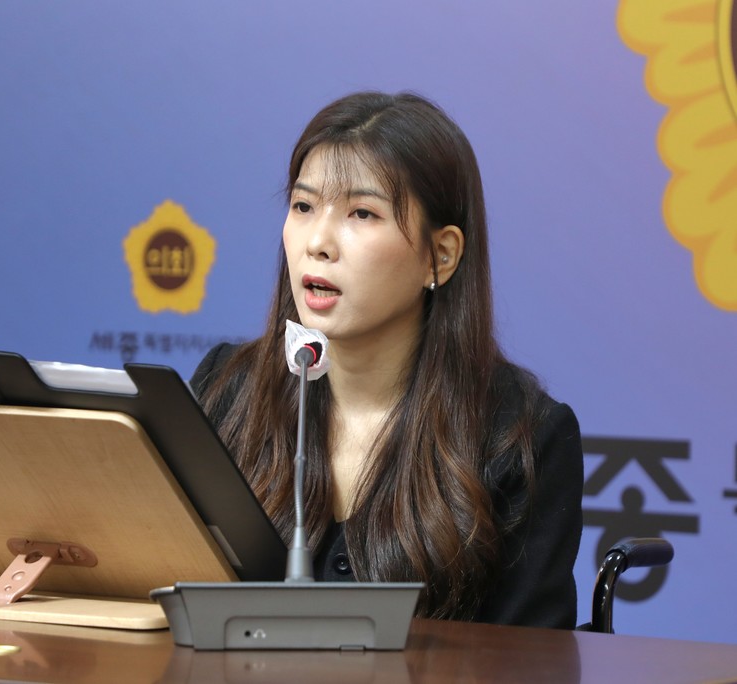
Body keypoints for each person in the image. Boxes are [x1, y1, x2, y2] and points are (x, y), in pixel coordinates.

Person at [191, 91, 583, 628]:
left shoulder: (521, 437)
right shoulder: (227, 389)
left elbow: (530, 658)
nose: (317, 242)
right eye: (303, 206)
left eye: (362, 213)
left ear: (440, 255)